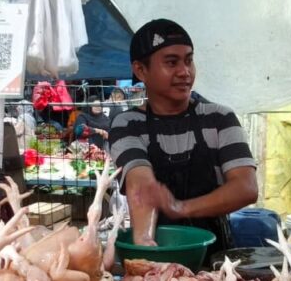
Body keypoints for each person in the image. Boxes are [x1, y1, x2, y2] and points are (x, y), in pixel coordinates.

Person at [109, 19, 258, 250]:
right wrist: (146, 242)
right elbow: (140, 183)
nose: (185, 72)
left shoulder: (220, 118)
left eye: (189, 60)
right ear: (141, 70)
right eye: (171, 62)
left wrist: (181, 207)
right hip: (158, 250)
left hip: (217, 259)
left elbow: (246, 188)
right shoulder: (128, 124)